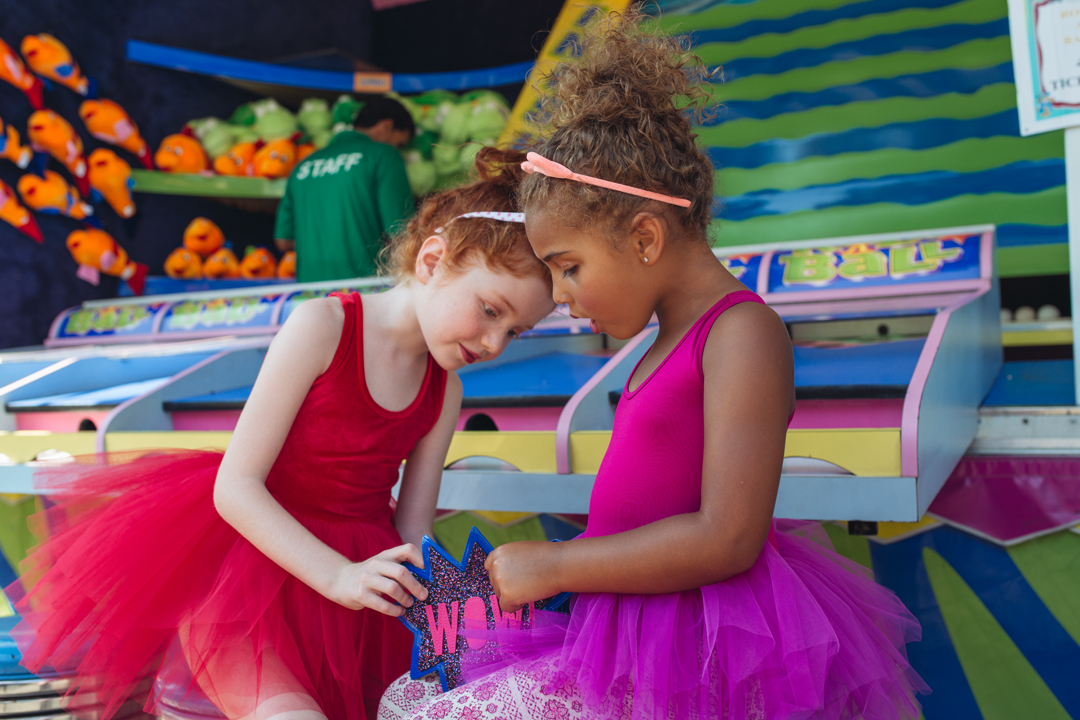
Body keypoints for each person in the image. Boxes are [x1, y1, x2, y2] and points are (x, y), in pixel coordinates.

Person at [379, 14, 928, 720]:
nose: (566, 300)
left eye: (568, 269)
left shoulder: (741, 332)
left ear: (643, 238)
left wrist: (555, 564)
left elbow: (726, 536)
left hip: (703, 651)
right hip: (628, 635)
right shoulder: (662, 340)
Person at [7, 148, 555, 720]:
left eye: (515, 332)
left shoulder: (446, 392)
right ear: (432, 260)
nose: (494, 344)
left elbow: (411, 526)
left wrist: (452, 603)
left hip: (359, 590)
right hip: (249, 576)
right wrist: (337, 575)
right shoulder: (322, 326)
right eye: (491, 310)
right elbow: (235, 486)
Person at [275, 96, 416, 282]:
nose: (398, 150)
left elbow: (283, 241)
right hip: (363, 293)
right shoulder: (384, 155)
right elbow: (402, 234)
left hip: (309, 296)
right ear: (386, 126)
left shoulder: (303, 165)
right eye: (400, 144)